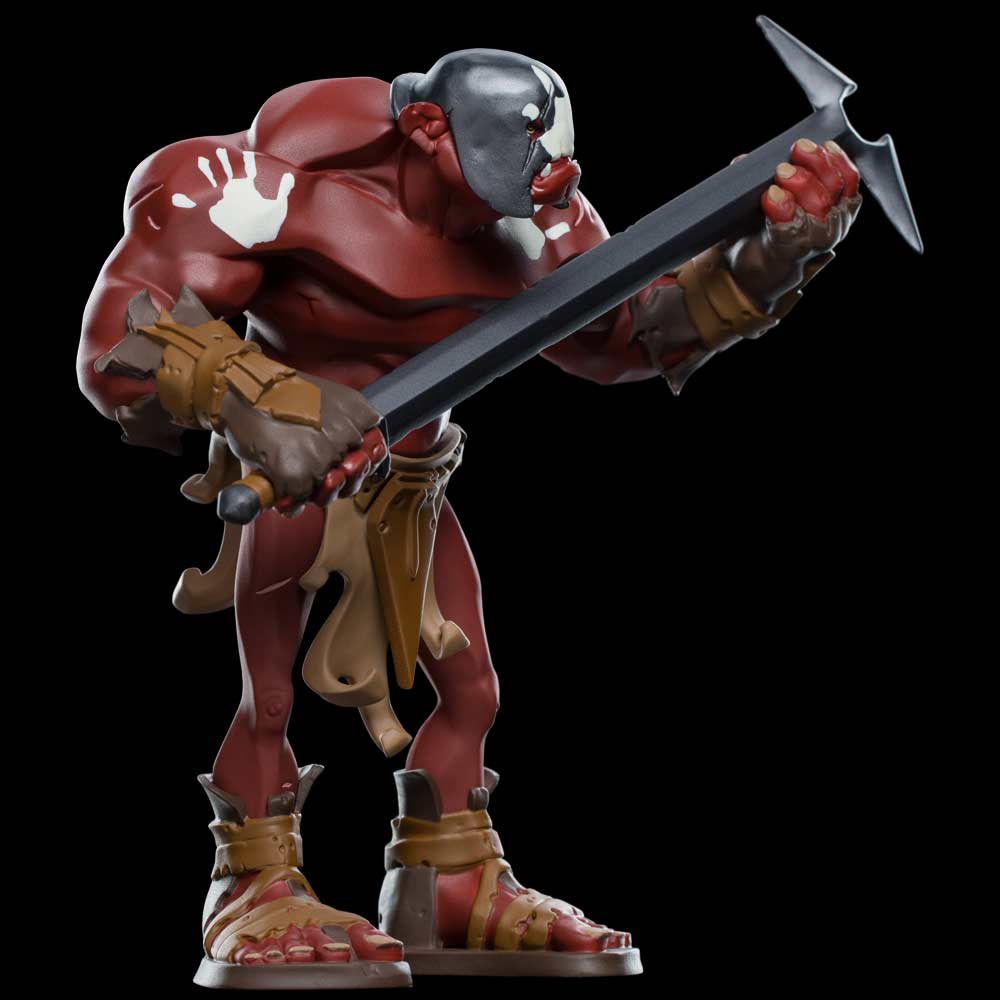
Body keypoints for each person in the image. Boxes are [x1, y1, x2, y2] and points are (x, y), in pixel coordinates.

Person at [78, 48, 861, 988]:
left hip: (412, 478)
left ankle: (450, 885)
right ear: (426, 131)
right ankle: (250, 886)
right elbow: (121, 334)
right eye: (501, 166)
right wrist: (255, 397)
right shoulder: (262, 183)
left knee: (472, 691)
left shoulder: (538, 211)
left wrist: (774, 252)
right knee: (270, 697)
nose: (525, 197)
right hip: (295, 477)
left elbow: (629, 333)